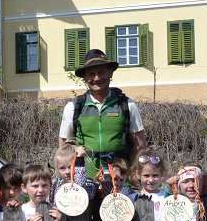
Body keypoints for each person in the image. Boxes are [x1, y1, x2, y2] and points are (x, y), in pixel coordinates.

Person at [59, 49, 147, 177]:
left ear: (110, 73)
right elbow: (64, 148)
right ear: (84, 77)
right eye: (91, 74)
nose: (97, 78)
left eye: (101, 72)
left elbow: (139, 146)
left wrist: (132, 175)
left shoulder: (127, 105)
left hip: (119, 179)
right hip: (83, 179)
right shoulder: (73, 107)